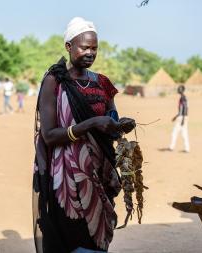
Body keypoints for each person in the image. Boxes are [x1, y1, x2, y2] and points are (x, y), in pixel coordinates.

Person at [32, 17, 136, 253]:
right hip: (67, 181)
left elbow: (111, 122)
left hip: (101, 173)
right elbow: (48, 135)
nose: (90, 52)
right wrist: (90, 124)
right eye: (85, 47)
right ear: (69, 47)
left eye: (95, 48)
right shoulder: (54, 82)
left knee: (97, 239)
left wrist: (120, 126)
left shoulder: (102, 83)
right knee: (72, 235)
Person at [169, 85, 190, 152]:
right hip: (182, 117)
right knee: (184, 133)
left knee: (174, 133)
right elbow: (181, 110)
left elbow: (185, 108)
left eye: (179, 89)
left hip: (182, 117)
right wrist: (175, 117)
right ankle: (187, 148)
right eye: (178, 89)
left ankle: (171, 147)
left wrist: (183, 119)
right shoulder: (182, 97)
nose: (178, 90)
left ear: (182, 90)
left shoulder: (183, 98)